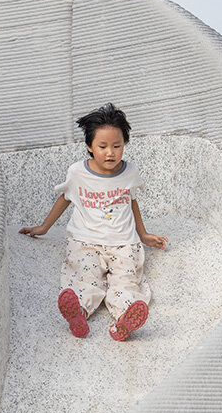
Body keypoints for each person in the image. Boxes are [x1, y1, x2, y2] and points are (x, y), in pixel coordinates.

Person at [20, 103, 168, 340]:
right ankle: (77, 311)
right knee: (84, 277)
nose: (110, 152)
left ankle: (125, 319)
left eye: (117, 146)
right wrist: (44, 227)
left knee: (126, 281)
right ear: (89, 146)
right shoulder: (78, 172)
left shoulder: (131, 172)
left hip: (124, 243)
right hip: (85, 241)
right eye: (103, 146)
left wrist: (144, 234)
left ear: (124, 145)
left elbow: (132, 202)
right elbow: (65, 198)